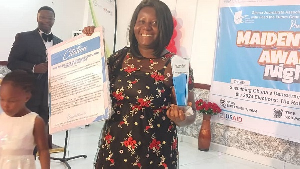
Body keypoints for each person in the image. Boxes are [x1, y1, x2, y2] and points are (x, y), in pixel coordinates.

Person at [83, 0, 195, 168]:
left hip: (153, 154)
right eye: (141, 21)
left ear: (164, 27)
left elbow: (189, 113)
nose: (146, 27)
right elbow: (91, 82)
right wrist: (89, 44)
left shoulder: (177, 65)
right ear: (134, 25)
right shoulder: (119, 58)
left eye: (154, 23)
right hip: (114, 147)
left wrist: (181, 118)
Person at [7, 6, 62, 149]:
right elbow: (12, 62)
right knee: (25, 132)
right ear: (37, 18)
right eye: (42, 17)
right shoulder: (24, 37)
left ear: (54, 20)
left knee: (42, 132)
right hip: (29, 93)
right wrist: (33, 68)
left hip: (49, 95)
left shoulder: (60, 42)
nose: (46, 20)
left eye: (49, 18)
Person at [0, 70, 50, 169]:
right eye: (2, 99)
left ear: (27, 97)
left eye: (12, 101)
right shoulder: (1, 118)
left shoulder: (35, 121)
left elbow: (43, 150)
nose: (5, 105)